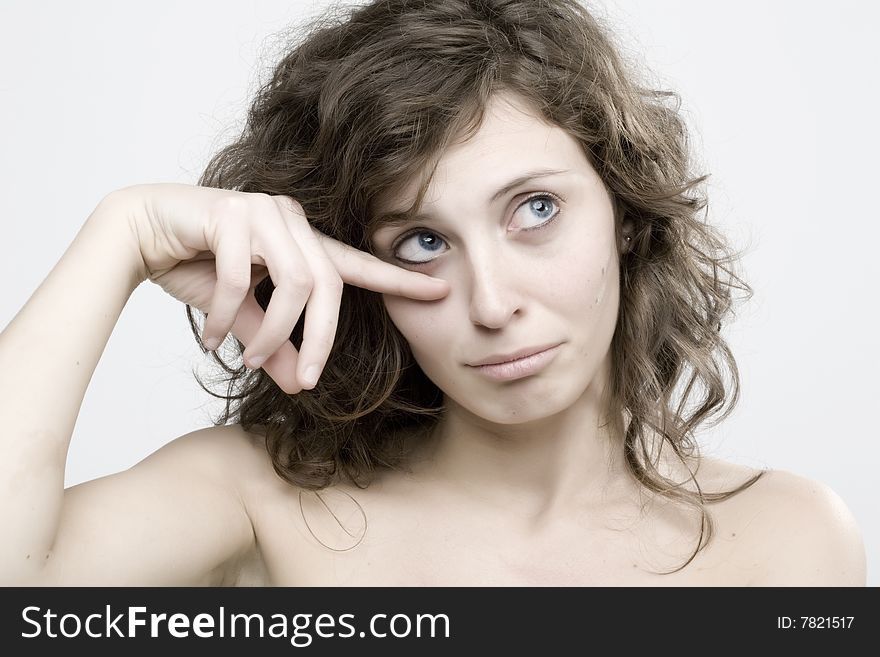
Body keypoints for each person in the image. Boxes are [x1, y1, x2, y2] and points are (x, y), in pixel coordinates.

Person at [0, 0, 866, 586]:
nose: (491, 302)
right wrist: (123, 234)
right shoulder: (257, 498)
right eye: (422, 241)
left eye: (535, 209)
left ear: (626, 214)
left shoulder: (789, 541)